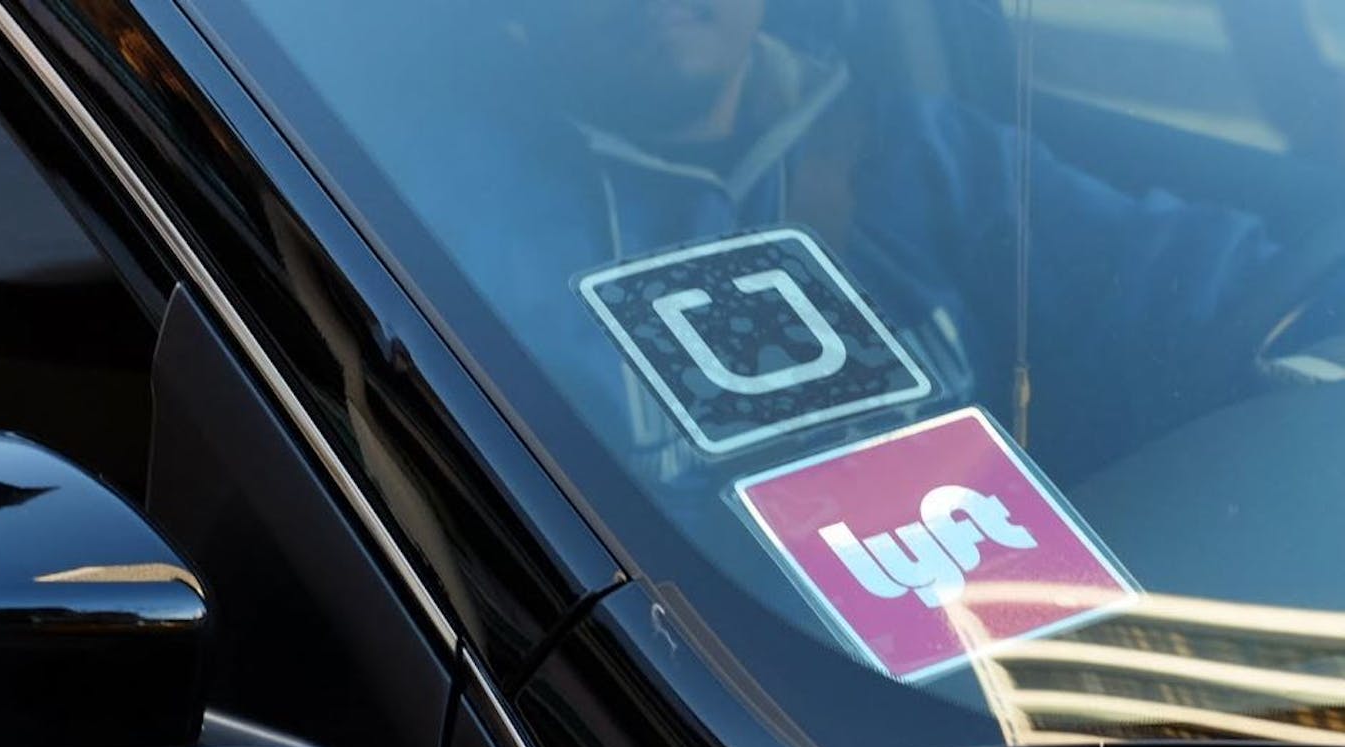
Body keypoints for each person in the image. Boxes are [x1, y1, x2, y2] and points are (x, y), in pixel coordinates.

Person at [390, 0, 1342, 491]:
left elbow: (1233, 292)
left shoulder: (927, 157)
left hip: (992, 700)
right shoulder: (445, 228)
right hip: (703, 727)